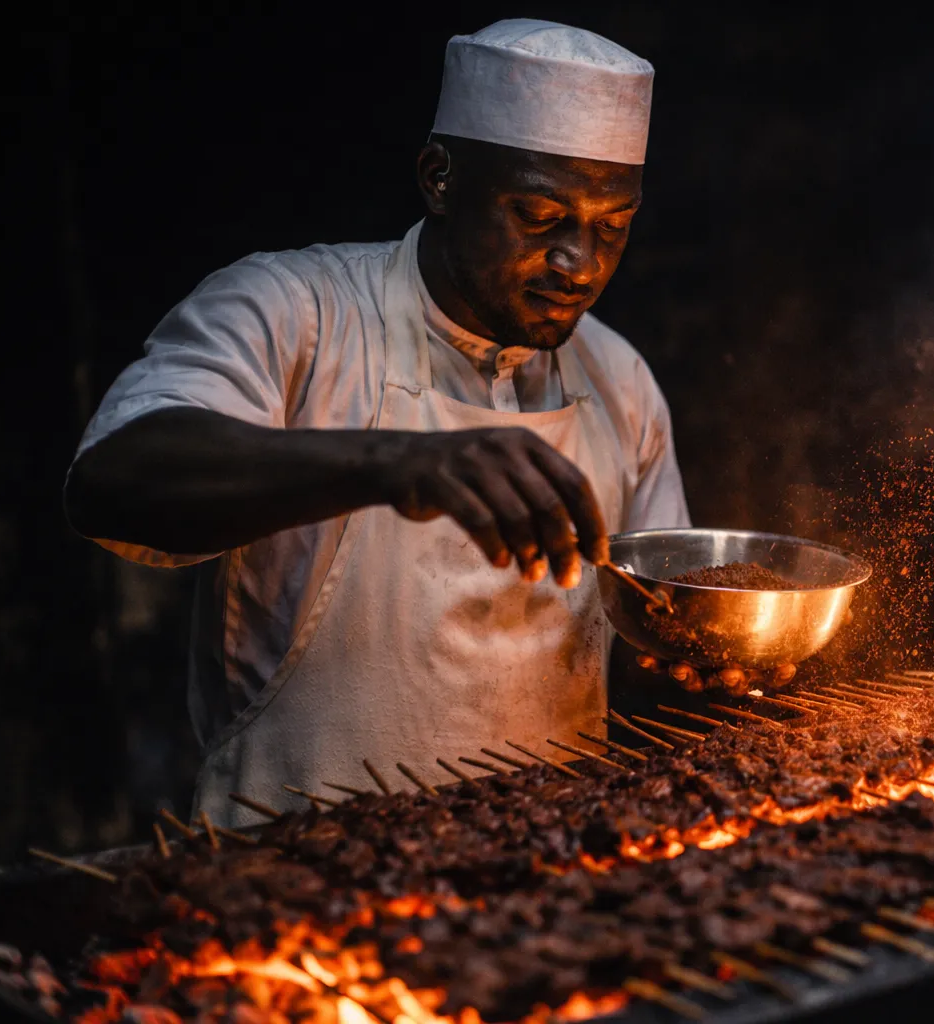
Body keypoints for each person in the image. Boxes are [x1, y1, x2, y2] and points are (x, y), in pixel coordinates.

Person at [65, 19, 698, 826]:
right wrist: (389, 464)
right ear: (439, 177)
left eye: (612, 226)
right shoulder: (293, 310)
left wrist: (691, 660)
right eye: (539, 215)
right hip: (298, 883)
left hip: (553, 883)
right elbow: (113, 479)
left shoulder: (618, 378)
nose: (580, 262)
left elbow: (644, 635)